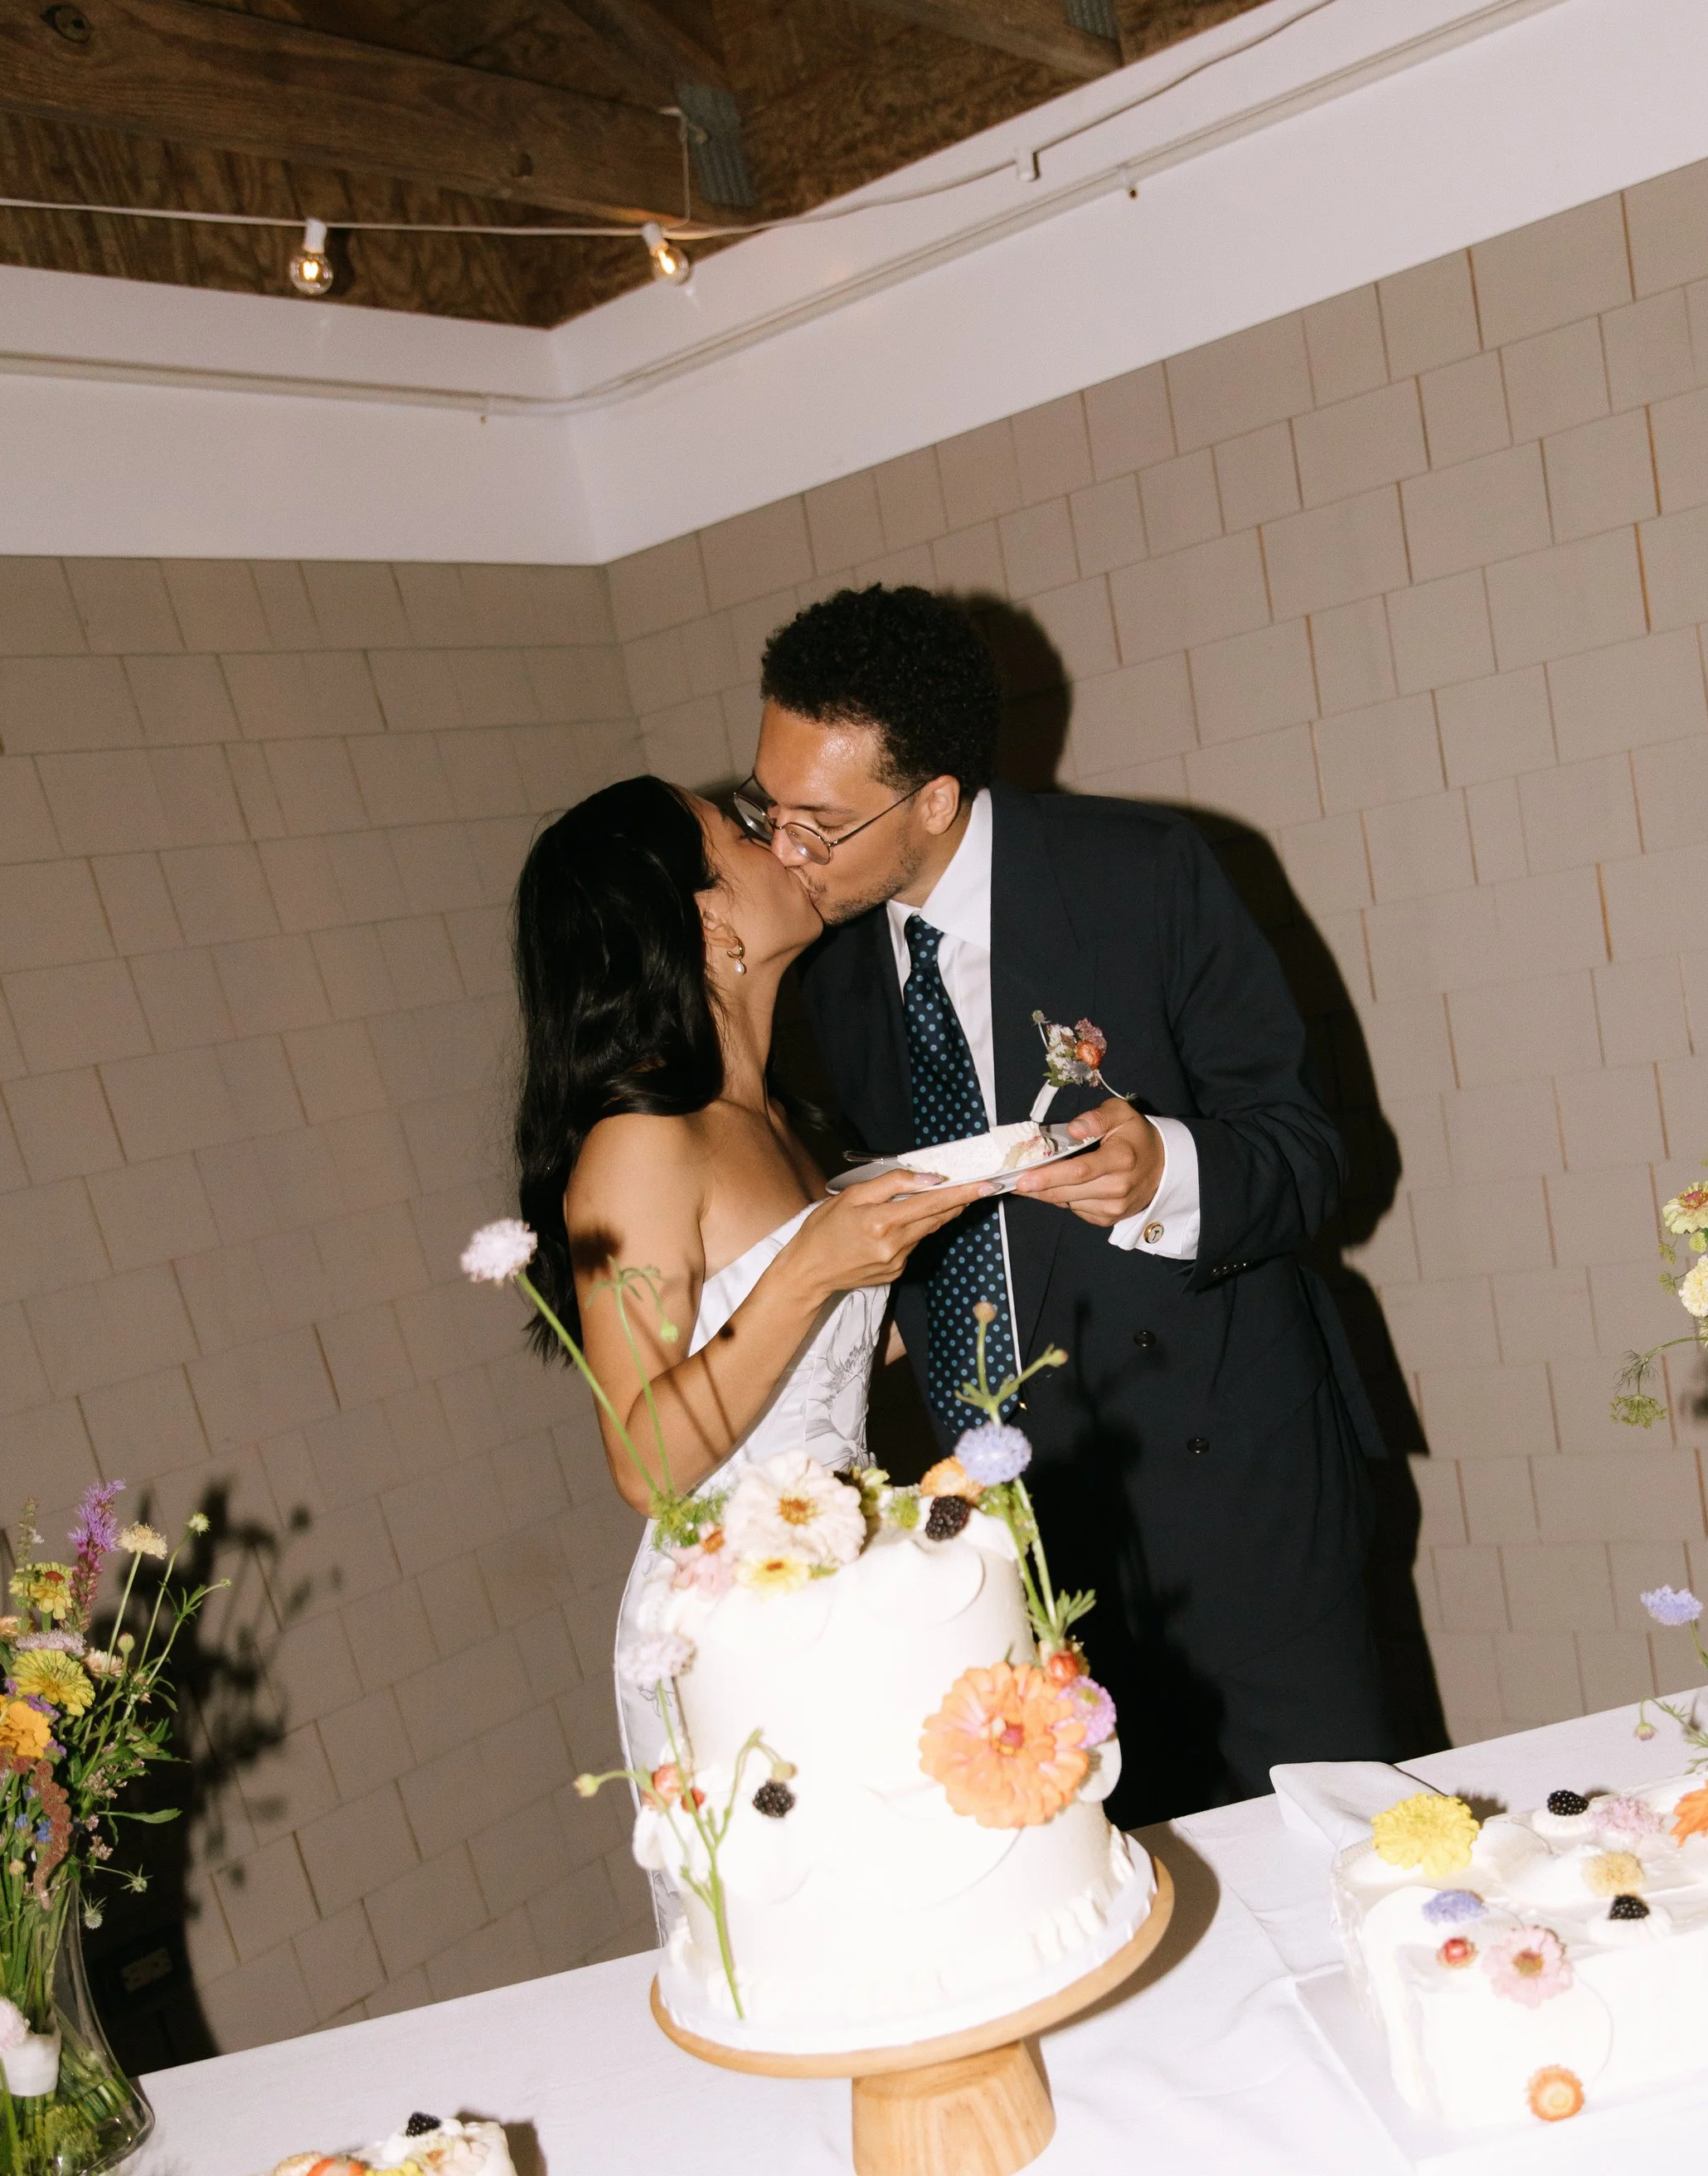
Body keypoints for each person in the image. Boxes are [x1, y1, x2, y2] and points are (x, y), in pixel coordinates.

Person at [746, 584, 1390, 1821]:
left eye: (819, 823)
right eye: (766, 807)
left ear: (935, 799)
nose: (785, 851)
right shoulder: (818, 963)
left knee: (1333, 1846)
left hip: (1233, 1491)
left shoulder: (1143, 873)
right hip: (1013, 1531)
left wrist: (1165, 1176)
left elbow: (1310, 1153)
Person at [509, 775, 983, 1790]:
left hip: (841, 1573)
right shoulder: (640, 1143)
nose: (787, 842)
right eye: (745, 833)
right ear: (703, 919)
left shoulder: (775, 1119)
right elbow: (644, 1463)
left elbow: (821, 1357)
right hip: (736, 1619)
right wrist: (810, 1269)